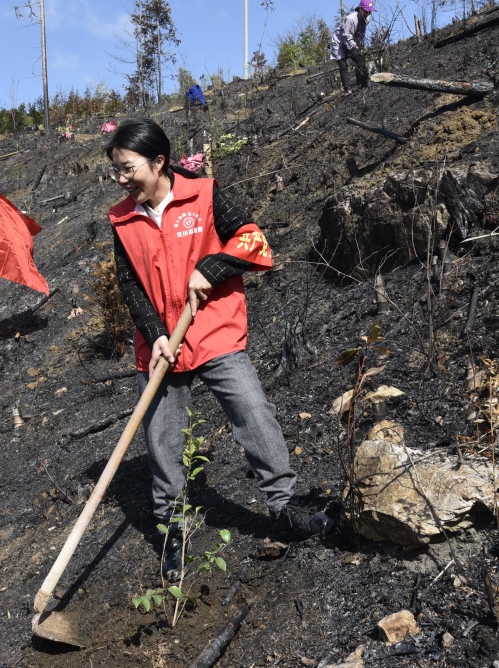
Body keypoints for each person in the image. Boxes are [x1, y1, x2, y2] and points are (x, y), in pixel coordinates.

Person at [105, 118, 332, 580]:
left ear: (159, 162)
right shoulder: (123, 219)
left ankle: (284, 505)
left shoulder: (204, 195)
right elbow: (129, 284)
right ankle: (170, 526)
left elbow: (251, 239)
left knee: (252, 409)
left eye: (128, 169)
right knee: (163, 438)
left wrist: (211, 266)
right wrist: (155, 333)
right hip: (162, 346)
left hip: (213, 331)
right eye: (116, 171)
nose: (122, 179)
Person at [329, 0, 375, 92]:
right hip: (339, 43)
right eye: (366, 12)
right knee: (343, 65)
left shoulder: (367, 19)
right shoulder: (350, 19)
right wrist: (353, 46)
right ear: (361, 9)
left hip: (351, 41)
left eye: (370, 12)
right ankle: (347, 89)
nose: (368, 14)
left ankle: (363, 83)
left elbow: (360, 33)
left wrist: (357, 45)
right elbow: (346, 35)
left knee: (360, 59)